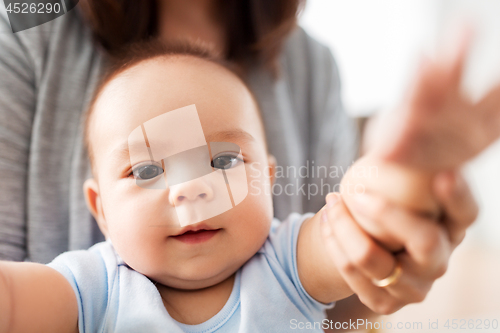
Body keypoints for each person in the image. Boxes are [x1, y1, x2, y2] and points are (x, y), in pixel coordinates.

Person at [0, 0, 482, 327]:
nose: (190, 191)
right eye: (147, 171)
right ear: (99, 208)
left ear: (269, 179)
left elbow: (353, 225)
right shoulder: (95, 287)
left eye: (225, 159)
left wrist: (400, 179)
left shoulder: (286, 264)